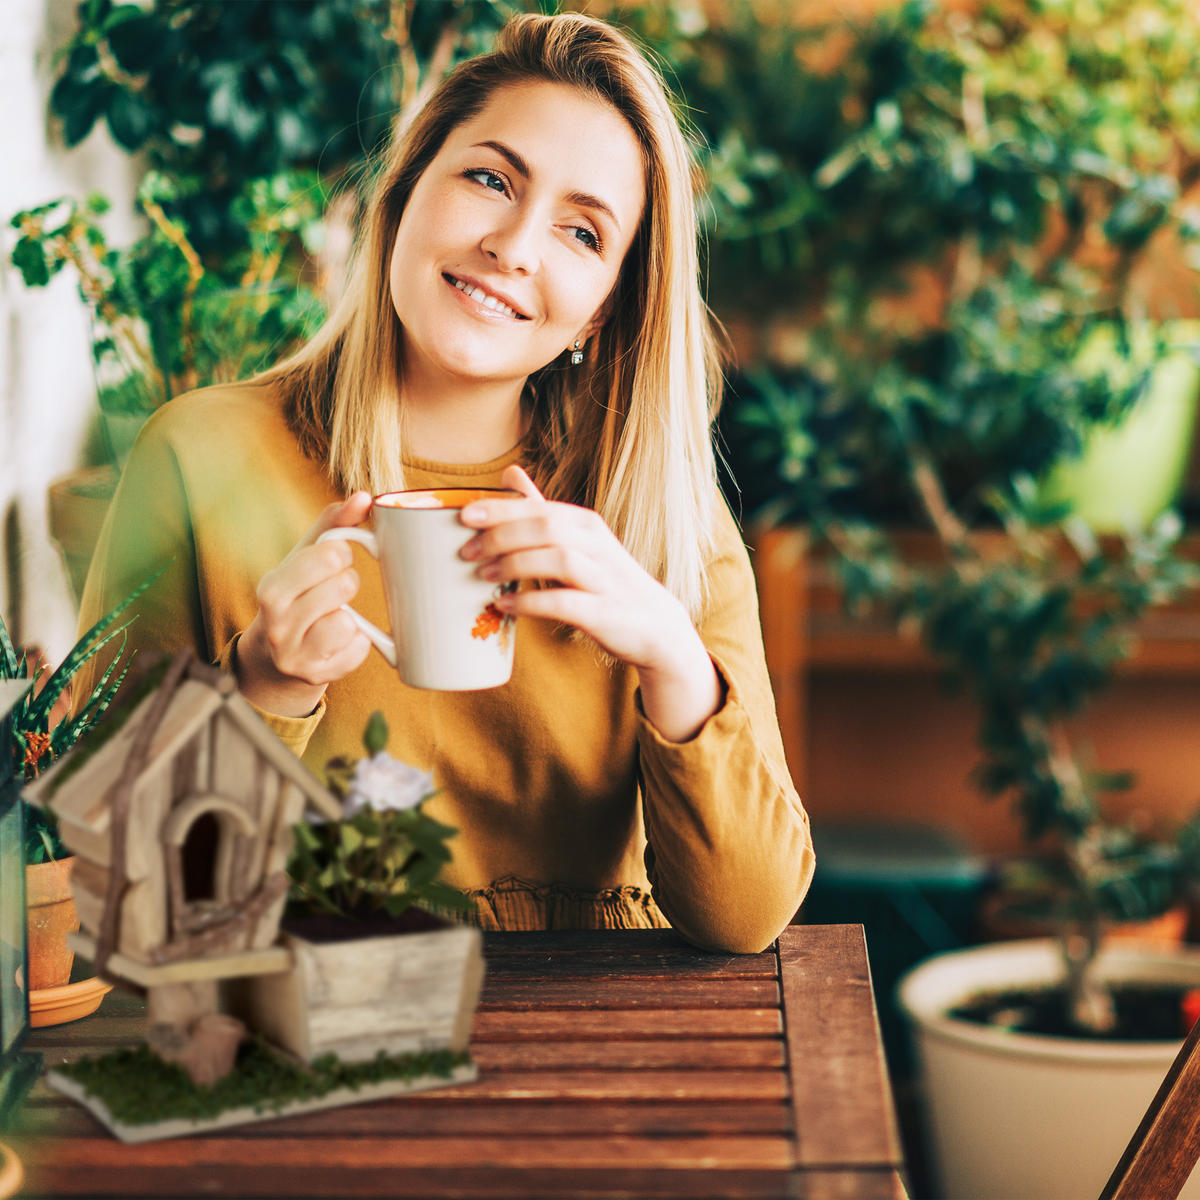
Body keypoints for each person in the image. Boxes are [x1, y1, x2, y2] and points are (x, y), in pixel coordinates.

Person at [76, 12, 814, 953]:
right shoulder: (200, 459)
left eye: (582, 232)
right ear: (404, 195)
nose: (515, 245)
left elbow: (747, 919)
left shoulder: (663, 515)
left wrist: (674, 660)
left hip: (597, 1032)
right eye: (490, 179)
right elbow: (109, 890)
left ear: (604, 310)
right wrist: (264, 686)